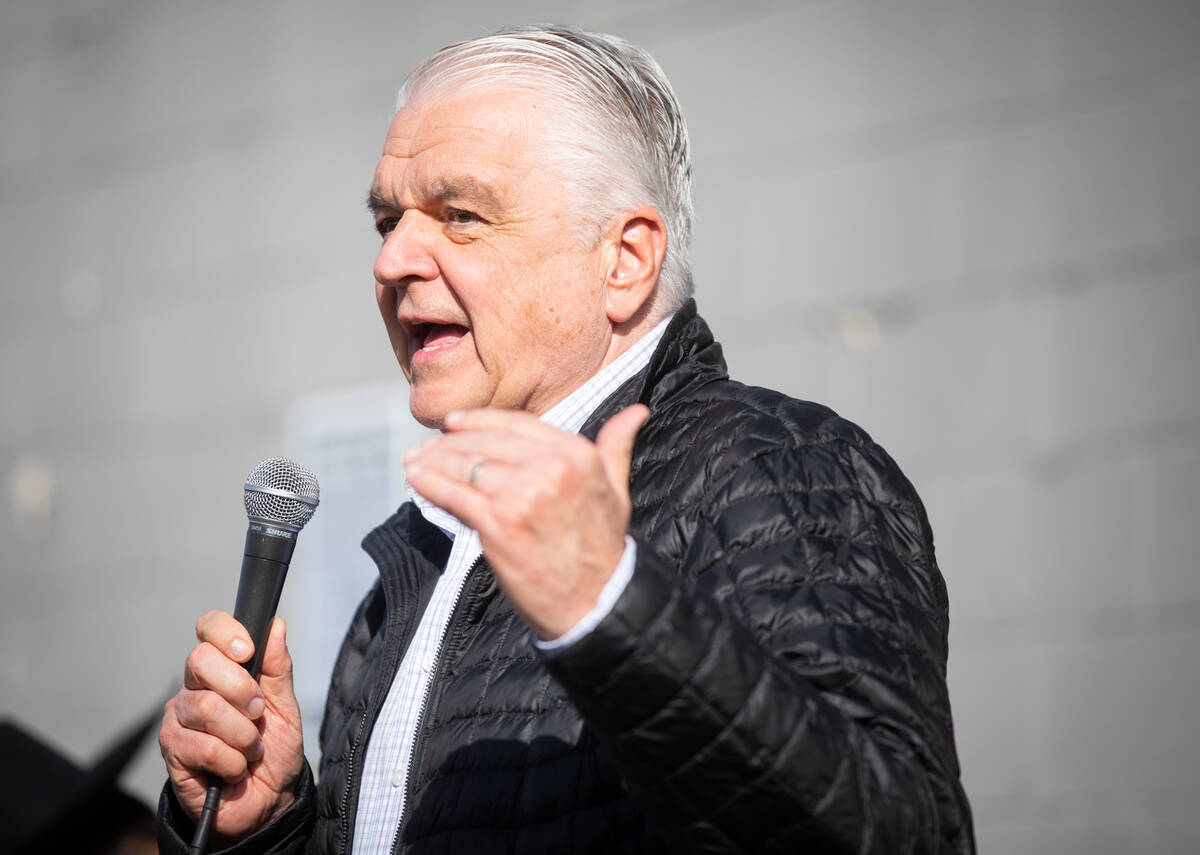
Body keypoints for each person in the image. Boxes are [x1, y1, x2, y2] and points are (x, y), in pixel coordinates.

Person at [157, 25, 975, 854]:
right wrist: (266, 827)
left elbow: (899, 833)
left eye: (462, 215)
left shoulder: (776, 469)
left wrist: (610, 608)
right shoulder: (415, 563)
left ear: (624, 260)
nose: (394, 259)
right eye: (387, 221)